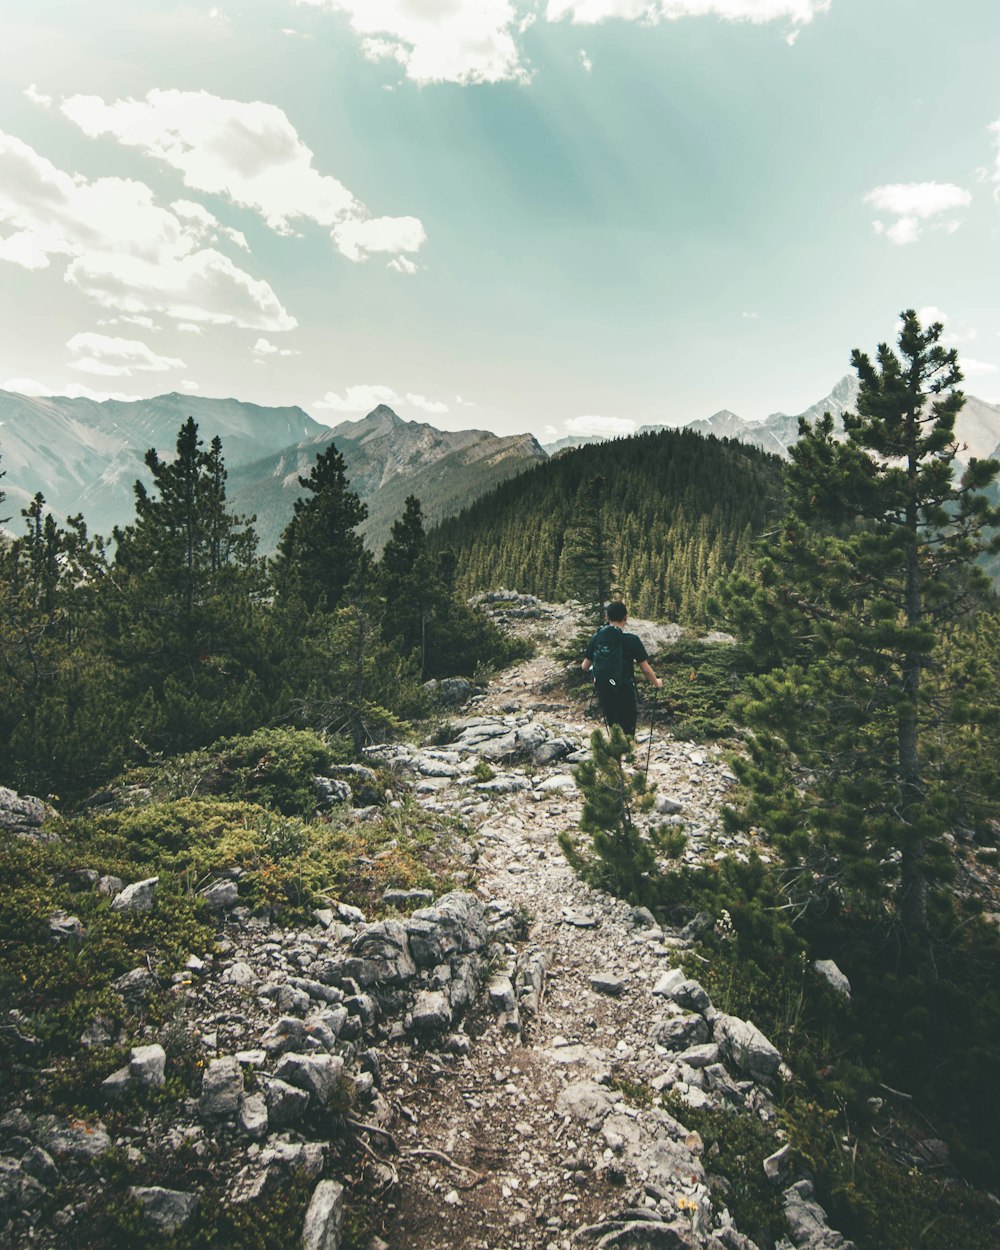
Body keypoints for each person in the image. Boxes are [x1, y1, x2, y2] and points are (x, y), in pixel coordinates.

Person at [582, 601, 662, 737]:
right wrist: (656, 683)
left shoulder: (597, 638)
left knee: (613, 728)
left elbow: (584, 666)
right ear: (625, 617)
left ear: (607, 617)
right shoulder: (632, 640)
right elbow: (646, 669)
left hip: (605, 689)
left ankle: (613, 756)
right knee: (627, 731)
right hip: (624, 689)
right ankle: (623, 756)